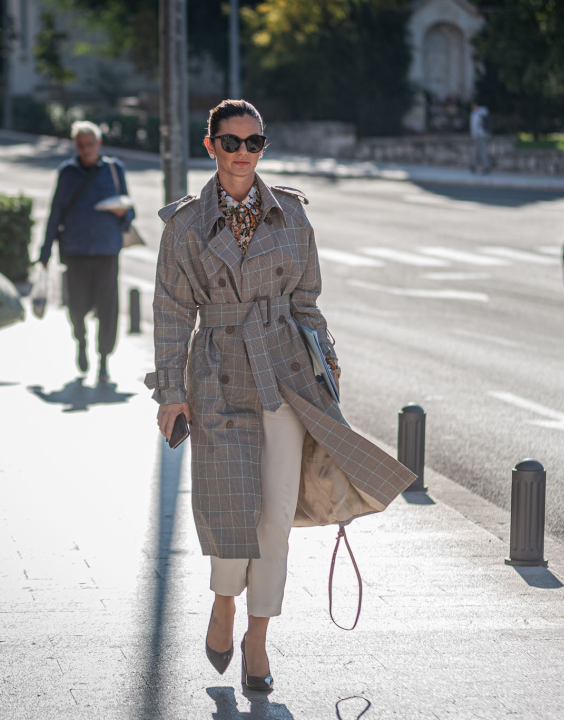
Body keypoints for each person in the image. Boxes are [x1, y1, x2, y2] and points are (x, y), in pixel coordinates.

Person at [147, 99, 415, 691]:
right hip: (216, 378)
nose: (243, 153)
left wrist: (328, 369)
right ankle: (223, 604)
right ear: (209, 146)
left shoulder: (291, 215)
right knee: (227, 510)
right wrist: (171, 392)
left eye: (255, 142)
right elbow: (171, 314)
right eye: (231, 142)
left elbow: (306, 303)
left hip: (286, 378)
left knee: (273, 519)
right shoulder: (185, 226)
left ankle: (258, 641)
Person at [39, 120, 134, 383]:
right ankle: (80, 340)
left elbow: (130, 211)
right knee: (76, 307)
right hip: (75, 250)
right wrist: (44, 253)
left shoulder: (115, 170)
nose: (86, 150)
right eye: (81, 145)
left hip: (107, 250)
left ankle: (103, 360)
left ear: (99, 144)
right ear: (76, 146)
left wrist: (122, 213)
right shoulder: (67, 172)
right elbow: (54, 212)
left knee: (108, 308)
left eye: (91, 144)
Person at [470, 102, 491, 174]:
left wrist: (474, 136)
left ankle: (486, 167)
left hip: (479, 135)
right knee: (478, 151)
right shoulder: (483, 112)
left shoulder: (475, 114)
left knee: (481, 151)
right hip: (484, 134)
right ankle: (474, 165)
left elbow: (474, 127)